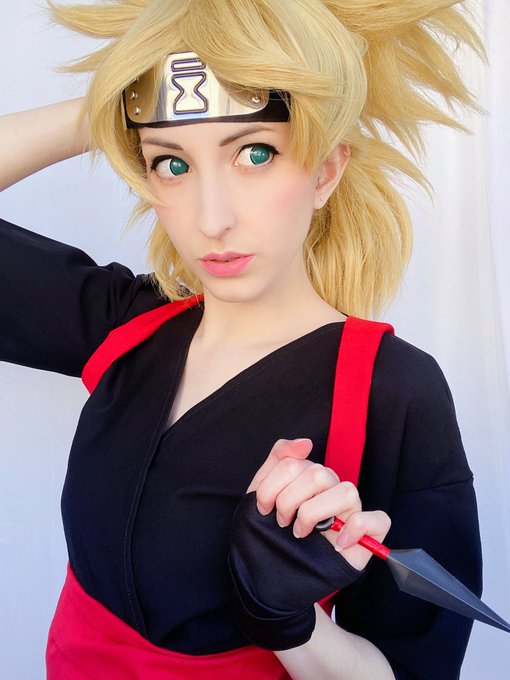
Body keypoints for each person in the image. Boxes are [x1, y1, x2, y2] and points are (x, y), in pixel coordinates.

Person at [0, 1, 485, 678]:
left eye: (255, 153)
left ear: (325, 172)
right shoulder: (126, 325)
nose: (212, 218)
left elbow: (413, 669)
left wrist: (290, 623)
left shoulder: (392, 390)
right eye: (171, 164)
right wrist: (112, 105)